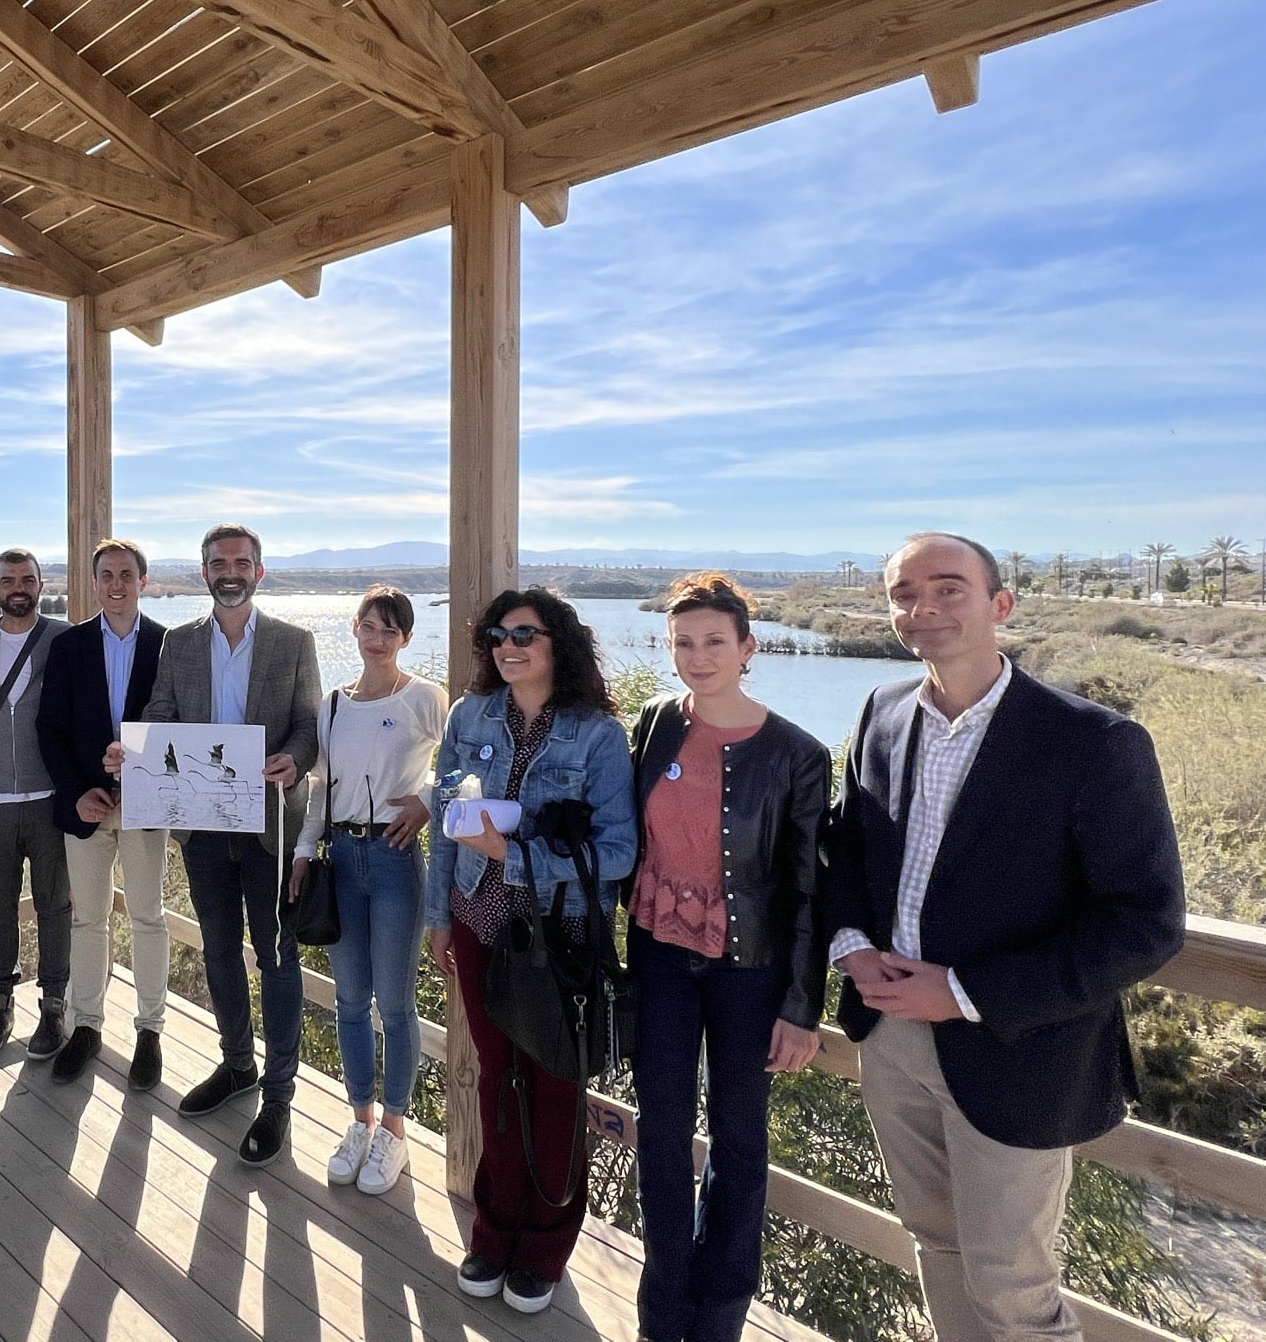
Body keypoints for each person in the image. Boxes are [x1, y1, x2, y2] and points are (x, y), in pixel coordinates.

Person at [824, 533, 1185, 1342]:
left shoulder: (1093, 742)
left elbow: (1146, 920)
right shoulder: (882, 712)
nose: (923, 608)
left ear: (1001, 605)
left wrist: (961, 992)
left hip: (1018, 1049)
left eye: (948, 588)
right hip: (889, 1036)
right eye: (905, 593)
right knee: (936, 1244)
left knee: (1013, 1286)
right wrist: (849, 942)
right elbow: (848, 848)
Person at [626, 573, 828, 1342]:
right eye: (683, 642)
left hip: (751, 971)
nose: (698, 656)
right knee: (663, 1132)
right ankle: (662, 1311)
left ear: (749, 648)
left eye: (716, 641)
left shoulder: (797, 755)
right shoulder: (652, 724)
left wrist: (802, 1006)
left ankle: (719, 1318)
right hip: (660, 960)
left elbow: (812, 888)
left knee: (740, 1143)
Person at [427, 587, 637, 1315]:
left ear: (558, 642)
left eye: (526, 633)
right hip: (479, 921)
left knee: (553, 1089)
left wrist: (511, 855)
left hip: (561, 935)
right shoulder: (468, 714)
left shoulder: (598, 735)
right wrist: (439, 915)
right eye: (497, 634)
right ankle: (492, 1231)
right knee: (494, 1080)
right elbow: (442, 821)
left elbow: (617, 852)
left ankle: (545, 1246)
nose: (509, 646)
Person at [108, 523, 319, 1166]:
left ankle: (279, 1095)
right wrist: (134, 751)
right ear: (204, 572)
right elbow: (163, 714)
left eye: (242, 562)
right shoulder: (180, 641)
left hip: (270, 827)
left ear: (260, 570)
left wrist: (293, 759)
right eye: (219, 563)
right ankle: (237, 1067)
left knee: (278, 958)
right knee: (221, 951)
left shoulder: (293, 641)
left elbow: (310, 723)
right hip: (203, 828)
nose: (231, 571)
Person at [289, 585, 445, 1196]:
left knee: (396, 1003)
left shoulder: (425, 698)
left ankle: (396, 1133)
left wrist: (428, 802)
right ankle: (360, 1122)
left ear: (405, 637)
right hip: (341, 859)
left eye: (390, 629)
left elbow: (459, 766)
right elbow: (321, 790)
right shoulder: (332, 705)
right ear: (353, 629)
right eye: (368, 626)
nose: (377, 638)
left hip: (395, 858)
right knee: (350, 1000)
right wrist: (304, 852)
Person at [37, 538, 170, 1088]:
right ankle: (87, 1026)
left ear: (144, 580)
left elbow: (180, 725)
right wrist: (76, 792)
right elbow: (51, 727)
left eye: (126, 574)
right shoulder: (69, 646)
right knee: (87, 919)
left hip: (147, 806)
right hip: (87, 806)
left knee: (148, 917)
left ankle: (150, 1031)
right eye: (106, 575)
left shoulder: (169, 644)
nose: (116, 584)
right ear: (93, 583)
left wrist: (145, 774)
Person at [0, 548, 73, 1061]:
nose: (18, 587)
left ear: (39, 584)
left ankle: (53, 1006)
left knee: (55, 906)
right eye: (7, 579)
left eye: (27, 579)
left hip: (48, 796)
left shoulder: (64, 638)